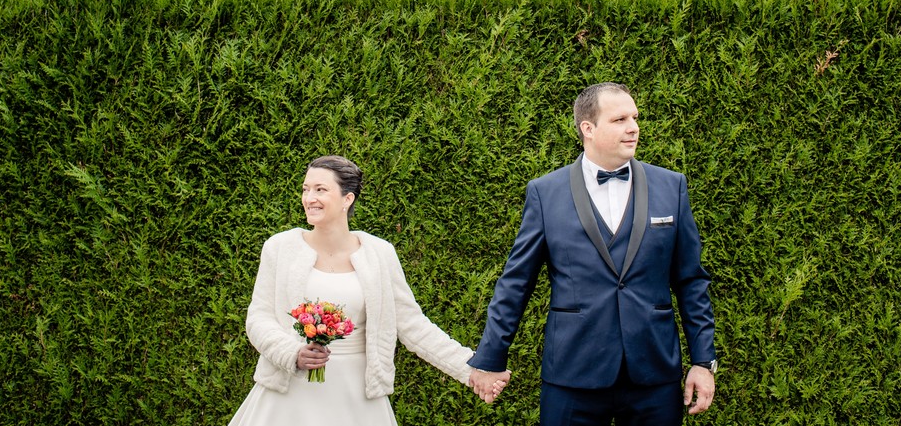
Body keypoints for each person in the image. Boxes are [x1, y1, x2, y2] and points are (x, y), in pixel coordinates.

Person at [468, 82, 717, 424]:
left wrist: (703, 362)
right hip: (573, 374)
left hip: (654, 374)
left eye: (635, 117)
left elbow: (691, 281)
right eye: (619, 120)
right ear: (588, 128)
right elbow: (516, 283)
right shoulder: (545, 193)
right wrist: (490, 359)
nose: (634, 127)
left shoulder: (671, 186)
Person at [227, 155, 508, 425]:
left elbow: (413, 326)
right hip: (288, 396)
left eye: (320, 189)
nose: (309, 198)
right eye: (306, 189)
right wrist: (293, 353)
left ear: (347, 199)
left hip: (357, 398)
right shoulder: (280, 248)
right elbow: (258, 319)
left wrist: (474, 369)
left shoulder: (379, 254)